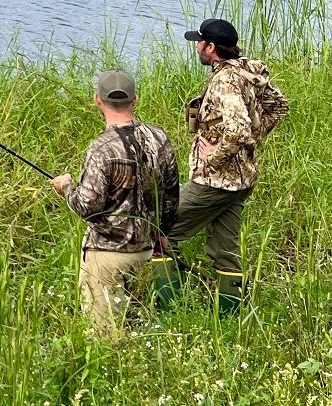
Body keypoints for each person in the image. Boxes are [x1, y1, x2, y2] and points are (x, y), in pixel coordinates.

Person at [168, 18, 288, 314]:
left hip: (216, 182)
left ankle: (167, 305)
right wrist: (251, 144)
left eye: (199, 42)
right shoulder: (248, 69)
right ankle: (230, 315)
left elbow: (238, 130)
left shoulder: (224, 81)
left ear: (211, 48)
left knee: (160, 228)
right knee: (225, 250)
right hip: (242, 180)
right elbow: (279, 106)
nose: (196, 46)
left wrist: (214, 158)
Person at [51, 70, 179, 334]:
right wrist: (162, 234)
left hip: (106, 255)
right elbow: (170, 193)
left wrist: (65, 188)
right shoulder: (159, 138)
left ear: (98, 100)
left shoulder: (101, 148)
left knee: (103, 335)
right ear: (135, 100)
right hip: (145, 252)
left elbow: (87, 205)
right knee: (138, 328)